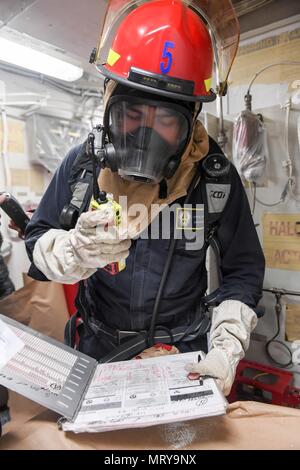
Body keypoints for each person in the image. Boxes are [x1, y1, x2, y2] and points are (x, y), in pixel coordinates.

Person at [25, 0, 265, 396]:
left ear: (191, 121)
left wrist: (225, 346)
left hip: (182, 353)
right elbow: (37, 246)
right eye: (132, 114)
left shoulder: (212, 178)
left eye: (166, 121)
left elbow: (243, 271)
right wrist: (76, 251)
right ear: (109, 103)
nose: (145, 136)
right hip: (101, 350)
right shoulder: (83, 166)